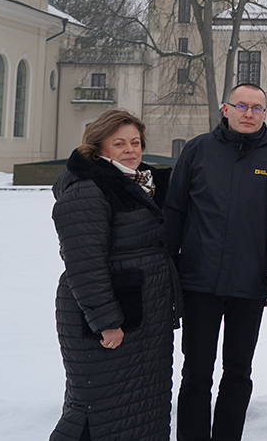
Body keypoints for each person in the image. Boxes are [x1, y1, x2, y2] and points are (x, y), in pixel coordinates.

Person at [165, 82, 267, 441]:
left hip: (249, 285)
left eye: (257, 108)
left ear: (266, 114)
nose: (248, 113)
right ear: (226, 109)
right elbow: (175, 212)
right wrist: (169, 270)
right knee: (196, 373)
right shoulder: (198, 151)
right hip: (199, 282)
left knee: (238, 373)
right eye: (241, 106)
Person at [50, 109, 178, 441]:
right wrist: (106, 319)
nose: (130, 150)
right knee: (97, 407)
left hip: (144, 314)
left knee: (141, 407)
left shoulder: (140, 182)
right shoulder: (88, 189)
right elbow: (83, 262)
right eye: (118, 143)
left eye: (135, 142)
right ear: (99, 148)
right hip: (110, 316)